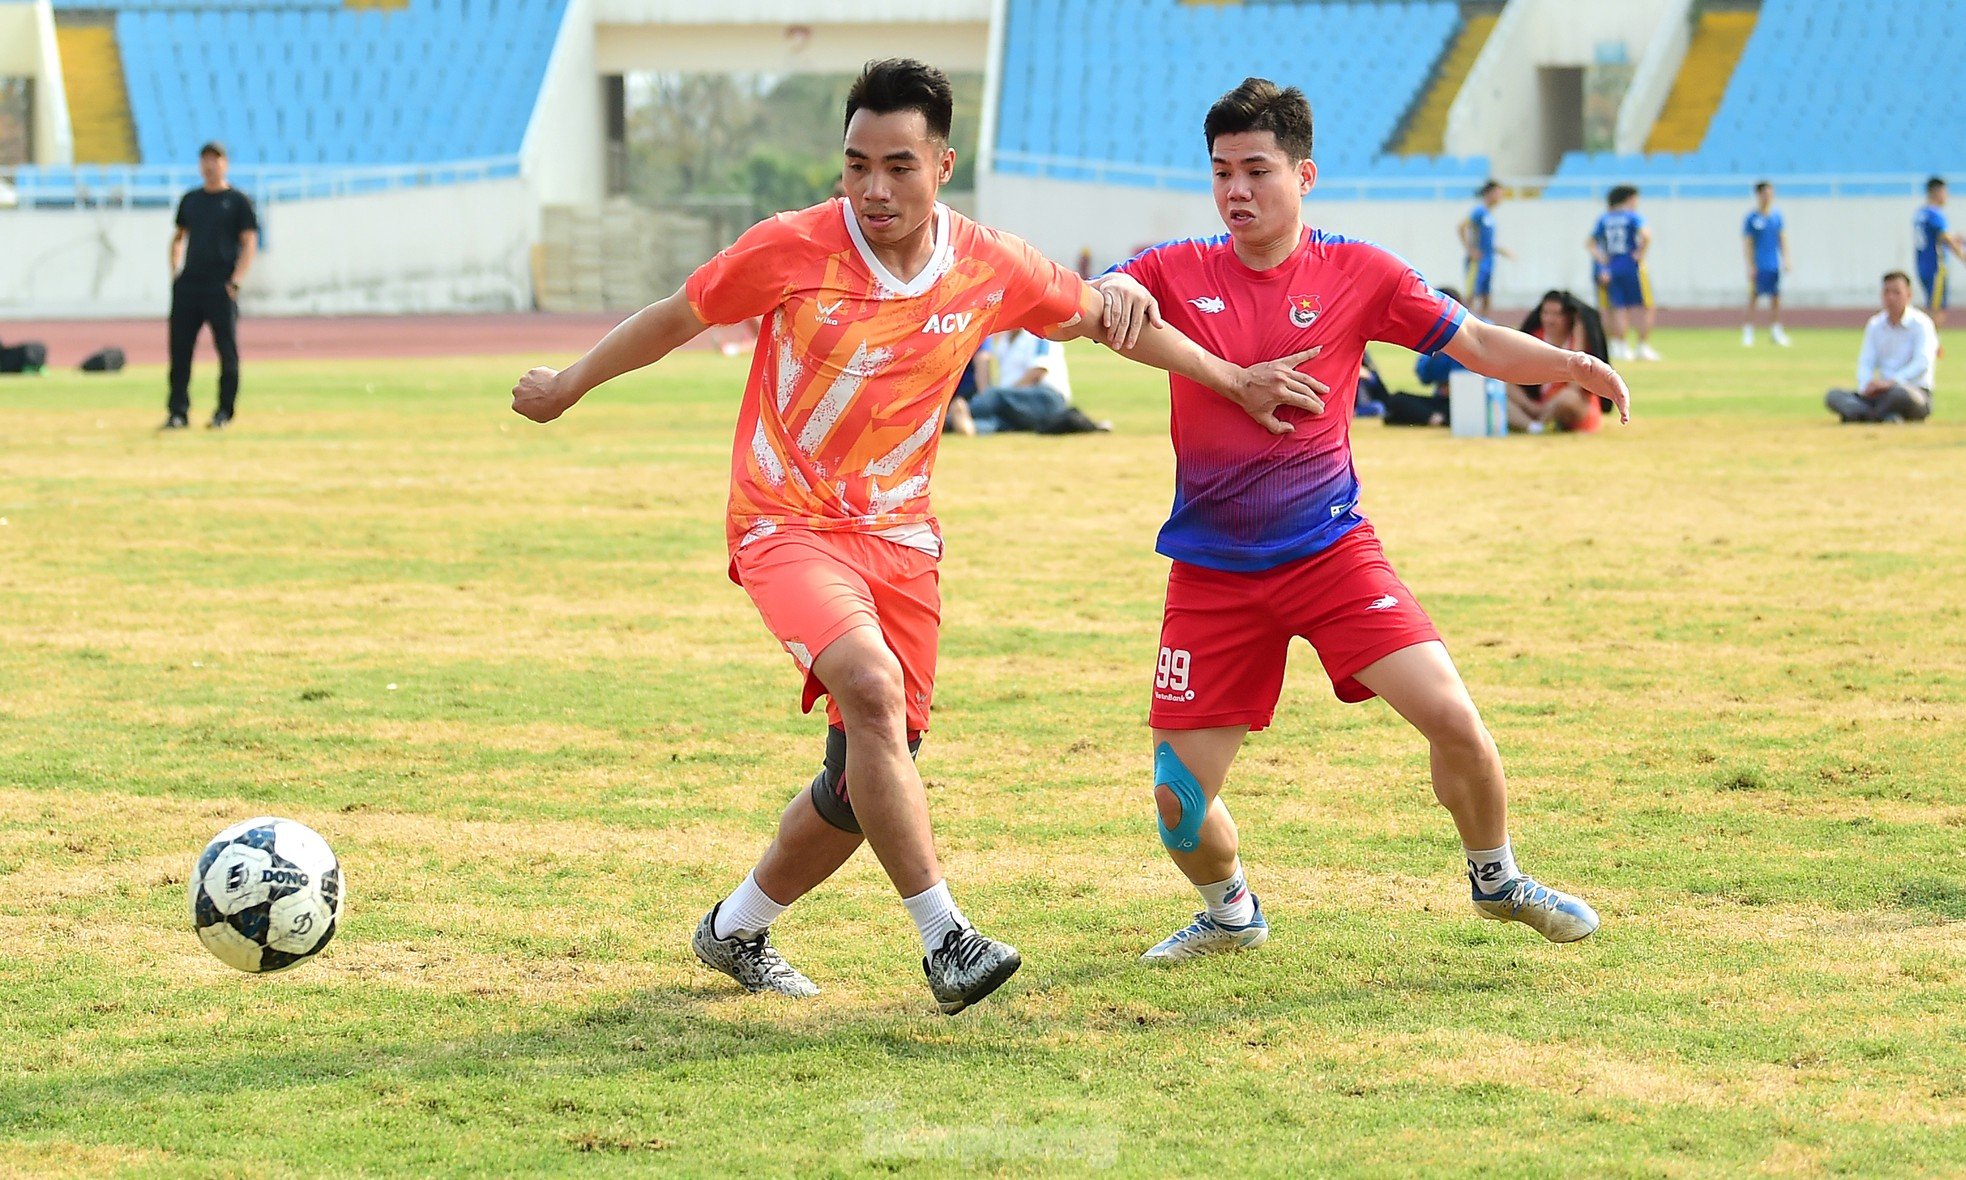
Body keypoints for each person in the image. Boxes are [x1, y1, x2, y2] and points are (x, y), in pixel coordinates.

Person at [510, 59, 1321, 1014]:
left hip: (901, 544)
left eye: (898, 166)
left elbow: (1111, 322)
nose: (874, 189)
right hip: (785, 521)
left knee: (862, 783)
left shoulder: (989, 263)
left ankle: (732, 932)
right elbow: (677, 316)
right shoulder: (790, 246)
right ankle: (947, 942)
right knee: (870, 686)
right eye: (857, 165)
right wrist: (569, 383)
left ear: (942, 164)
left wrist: (1229, 376)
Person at [1093, 78, 1629, 964]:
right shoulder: (1176, 267)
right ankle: (1231, 913)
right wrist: (1113, 287)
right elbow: (1104, 301)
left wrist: (1571, 361)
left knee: (1455, 720)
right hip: (1213, 570)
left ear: (1305, 175)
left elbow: (1479, 342)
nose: (1237, 191)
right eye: (1221, 171)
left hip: (1331, 553)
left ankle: (1496, 878)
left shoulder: (1361, 272)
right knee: (1177, 804)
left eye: (1257, 170)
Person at [164, 141, 258, 430]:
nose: (210, 165)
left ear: (225, 164)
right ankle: (178, 412)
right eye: (205, 160)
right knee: (180, 351)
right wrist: (175, 272)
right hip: (190, 285)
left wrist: (237, 280)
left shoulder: (238, 201)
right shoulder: (191, 199)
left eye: (215, 160)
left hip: (220, 286)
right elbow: (179, 236)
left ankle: (223, 412)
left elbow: (249, 242)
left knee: (226, 352)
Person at [945, 327, 1108, 435]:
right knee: (1002, 422)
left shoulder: (1041, 336)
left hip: (1045, 397)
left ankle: (949, 417)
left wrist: (1005, 394)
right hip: (1017, 402)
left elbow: (1038, 371)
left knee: (996, 397)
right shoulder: (1003, 341)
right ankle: (968, 427)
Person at [1826, 271, 1935, 423]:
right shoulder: (1875, 324)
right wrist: (1866, 386)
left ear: (1909, 295)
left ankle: (1863, 415)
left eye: (1896, 292)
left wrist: (1891, 382)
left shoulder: (1921, 324)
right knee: (1833, 395)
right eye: (1886, 292)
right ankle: (1884, 416)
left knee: (1899, 395)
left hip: (1911, 391)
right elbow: (1866, 361)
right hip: (1880, 393)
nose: (1891, 297)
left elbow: (1921, 363)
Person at [1508, 290, 1610, 433]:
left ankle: (1538, 421)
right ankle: (1533, 427)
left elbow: (1574, 387)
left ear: (1569, 317)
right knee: (1501, 387)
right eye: (1546, 313)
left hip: (1572, 405)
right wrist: (1531, 406)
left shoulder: (1579, 341)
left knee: (1568, 398)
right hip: (1537, 404)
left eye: (1556, 314)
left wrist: (1579, 333)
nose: (1549, 319)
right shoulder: (1536, 336)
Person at [1589, 185, 1658, 362]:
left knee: (1618, 308)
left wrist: (1602, 258)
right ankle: (1642, 346)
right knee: (1646, 306)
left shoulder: (1604, 219)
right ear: (1629, 198)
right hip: (1631, 266)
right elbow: (1646, 235)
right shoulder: (1632, 216)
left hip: (1611, 267)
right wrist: (1641, 253)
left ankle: (1621, 346)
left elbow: (1590, 243)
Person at [1742, 181, 1790, 347]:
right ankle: (1748, 332)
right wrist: (1750, 265)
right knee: (1754, 298)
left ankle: (1776, 331)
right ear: (1759, 195)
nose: (1768, 196)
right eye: (1765, 193)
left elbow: (1782, 238)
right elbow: (1748, 243)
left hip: (1773, 264)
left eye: (1771, 193)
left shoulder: (1776, 216)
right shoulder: (1752, 218)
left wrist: (1786, 259)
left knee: (1776, 298)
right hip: (1759, 265)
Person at [1913, 177, 1964, 328]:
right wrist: (1962, 256)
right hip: (1936, 267)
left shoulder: (1920, 213)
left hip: (1923, 266)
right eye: (1945, 191)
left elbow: (1933, 237)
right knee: (1937, 309)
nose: (1947, 195)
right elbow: (1944, 238)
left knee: (1931, 305)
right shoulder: (1936, 214)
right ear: (1937, 191)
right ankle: (1930, 344)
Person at [1459, 180, 1509, 318]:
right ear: (1490, 193)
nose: (1500, 197)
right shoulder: (1479, 212)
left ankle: (1485, 323)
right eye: (1499, 193)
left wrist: (1501, 251)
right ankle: (1463, 323)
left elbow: (1487, 241)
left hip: (1489, 259)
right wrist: (1470, 250)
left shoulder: (1490, 215)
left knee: (1486, 294)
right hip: (1478, 260)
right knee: (1472, 293)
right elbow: (1462, 227)